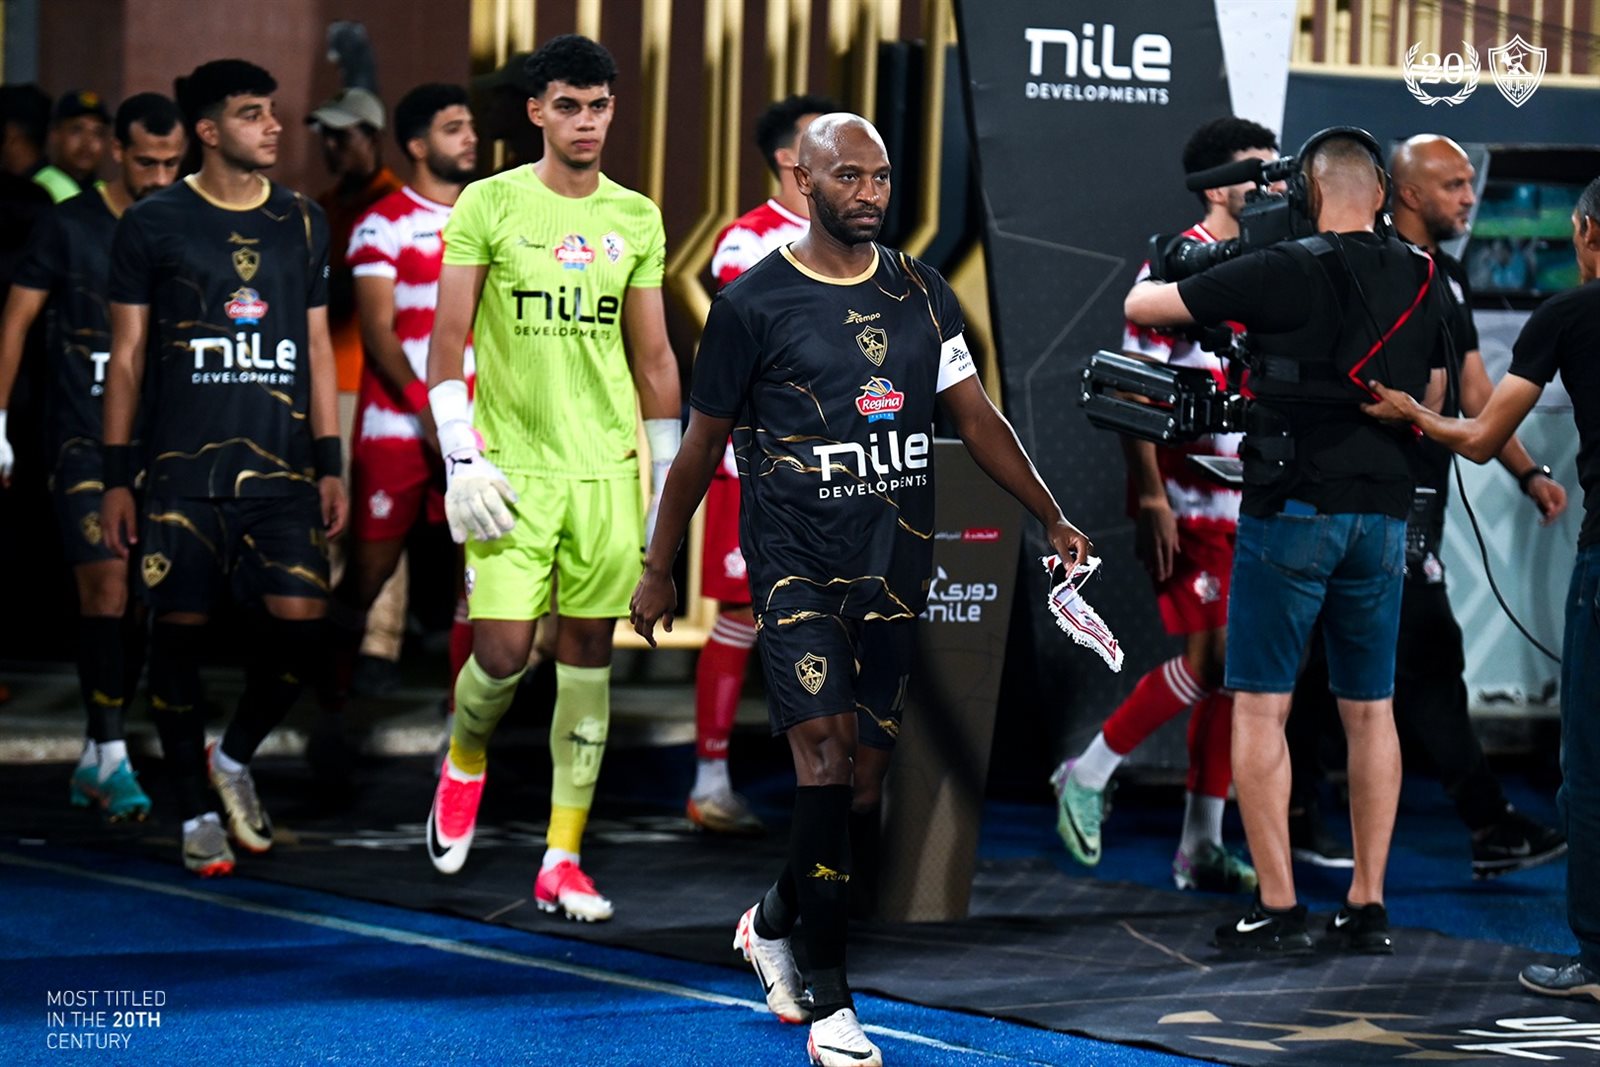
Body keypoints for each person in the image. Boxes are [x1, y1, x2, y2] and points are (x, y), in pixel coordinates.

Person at [631, 113, 1091, 1067]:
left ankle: (770, 919)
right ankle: (834, 1007)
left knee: (863, 786)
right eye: (849, 176)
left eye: (881, 177)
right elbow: (702, 446)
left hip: (894, 563)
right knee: (826, 764)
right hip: (794, 562)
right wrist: (659, 562)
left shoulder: (923, 292)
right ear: (803, 182)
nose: (871, 193)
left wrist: (1050, 514)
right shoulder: (751, 304)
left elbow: (975, 416)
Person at [1126, 130, 1451, 956]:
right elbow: (1434, 392)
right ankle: (1368, 905)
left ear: (1305, 192)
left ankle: (1278, 906)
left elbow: (1144, 308)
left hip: (1291, 509)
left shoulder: (1279, 266)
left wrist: (1219, 259)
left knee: (1263, 705)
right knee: (1369, 710)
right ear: (1382, 193)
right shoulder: (1425, 274)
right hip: (1384, 515)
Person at [422, 35, 681, 925]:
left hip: (605, 472)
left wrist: (665, 491)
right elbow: (446, 341)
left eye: (598, 106)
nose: (585, 122)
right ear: (537, 111)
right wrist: (460, 452)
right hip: (511, 471)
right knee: (499, 655)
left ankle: (560, 858)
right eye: (568, 105)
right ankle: (465, 756)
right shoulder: (489, 202)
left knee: (588, 659)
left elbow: (655, 359)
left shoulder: (635, 216)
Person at [1287, 134, 1567, 879]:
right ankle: (1486, 820)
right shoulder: (1362, 268)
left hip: (1419, 503)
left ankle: (1299, 805)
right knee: (1424, 656)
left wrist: (1527, 473)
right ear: (1407, 193)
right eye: (1454, 185)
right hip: (1366, 496)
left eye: (1470, 184)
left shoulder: (1450, 275)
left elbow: (1475, 391)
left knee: (1353, 655)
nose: (1470, 197)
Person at [102, 59, 346, 876]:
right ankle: (195, 810)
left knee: (305, 627)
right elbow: (127, 357)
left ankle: (232, 757)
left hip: (282, 472)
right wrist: (116, 475)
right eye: (252, 113)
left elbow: (317, 346)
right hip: (182, 473)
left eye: (272, 111)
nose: (273, 125)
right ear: (207, 131)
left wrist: (331, 462)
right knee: (177, 636)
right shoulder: (154, 221)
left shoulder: (303, 220)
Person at [1365, 174, 1600, 1002]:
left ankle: (1597, 958)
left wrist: (1413, 412)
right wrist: (1534, 473)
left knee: (1591, 769)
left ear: (1585, 232)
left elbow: (1477, 430)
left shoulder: (1569, 314)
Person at [1052, 117, 1277, 893]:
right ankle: (1088, 770)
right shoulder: (1175, 265)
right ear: (1216, 188)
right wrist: (1152, 494)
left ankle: (1200, 843)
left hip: (1251, 497)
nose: (1272, 185)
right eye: (1257, 172)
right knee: (1214, 658)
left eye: (1276, 170)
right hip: (1186, 496)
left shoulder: (1270, 262)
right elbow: (1129, 388)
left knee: (1237, 672)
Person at [0, 93, 185, 818]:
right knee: (105, 588)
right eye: (146, 163)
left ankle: (96, 749)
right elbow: (15, 321)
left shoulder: (179, 224)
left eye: (171, 164)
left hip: (158, 441)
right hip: (79, 436)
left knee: (138, 602)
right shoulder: (68, 224)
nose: (158, 177)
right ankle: (111, 756)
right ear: (117, 151)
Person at [688, 93, 837, 837]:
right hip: (757, 465)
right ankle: (709, 781)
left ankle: (832, 783)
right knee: (744, 613)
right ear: (788, 159)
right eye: (822, 140)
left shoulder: (856, 241)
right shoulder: (745, 241)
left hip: (838, 465)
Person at [332, 83, 478, 735]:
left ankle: (461, 724)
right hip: (397, 424)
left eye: (470, 126)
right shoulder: (382, 222)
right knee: (367, 575)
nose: (470, 138)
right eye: (454, 128)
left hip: (474, 426)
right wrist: (427, 410)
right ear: (418, 145)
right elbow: (377, 331)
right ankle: (331, 708)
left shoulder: (489, 216)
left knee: (479, 578)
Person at [308, 86, 407, 694]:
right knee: (331, 513)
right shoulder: (325, 206)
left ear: (371, 137)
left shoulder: (393, 204)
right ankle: (336, 637)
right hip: (329, 380)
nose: (331, 146)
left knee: (379, 515)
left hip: (376, 382)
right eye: (326, 136)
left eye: (342, 136)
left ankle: (379, 644)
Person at [33, 90, 111, 204]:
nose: (87, 142)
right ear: (55, 134)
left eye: (97, 133)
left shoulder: (106, 193)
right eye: (77, 130)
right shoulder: (39, 189)